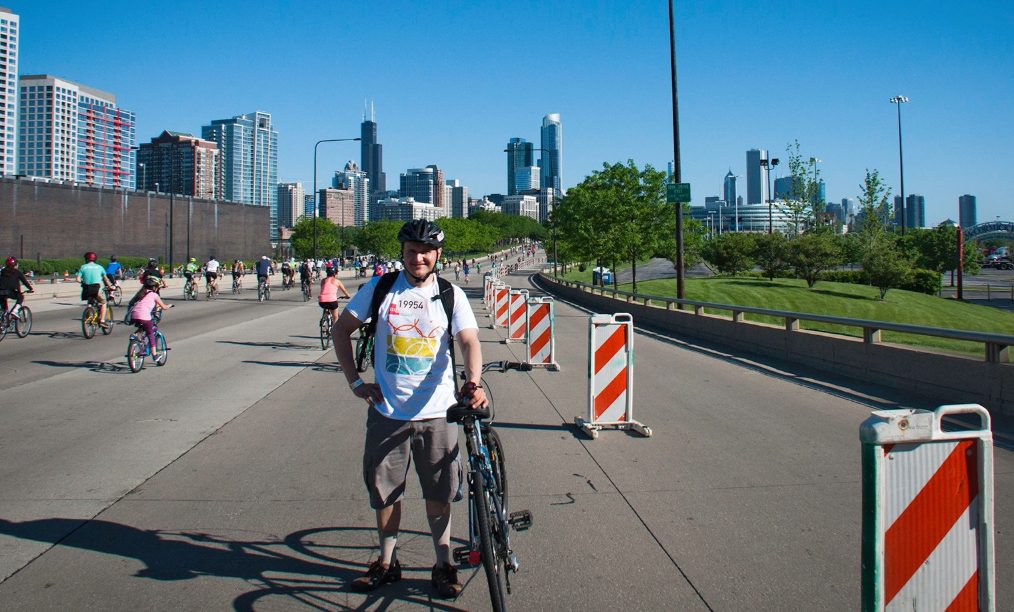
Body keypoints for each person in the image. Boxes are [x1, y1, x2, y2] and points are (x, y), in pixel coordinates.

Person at [332, 219, 487, 598]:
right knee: (385, 494)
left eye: (426, 252)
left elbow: (468, 340)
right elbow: (341, 330)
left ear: (437, 255)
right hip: (389, 413)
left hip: (438, 412)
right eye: (412, 252)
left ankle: (443, 562)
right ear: (402, 254)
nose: (418, 258)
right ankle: (387, 562)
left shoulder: (450, 294)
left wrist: (474, 381)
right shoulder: (381, 288)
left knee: (439, 493)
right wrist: (355, 381)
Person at [129, 275, 173, 357]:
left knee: (142, 327)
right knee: (150, 334)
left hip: (134, 315)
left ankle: (135, 336)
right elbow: (164, 307)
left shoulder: (140, 294)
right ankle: (154, 355)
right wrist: (170, 305)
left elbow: (132, 303)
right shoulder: (154, 295)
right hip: (144, 316)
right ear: (155, 287)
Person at [76, 251, 115, 331]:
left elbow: (78, 279)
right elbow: (105, 279)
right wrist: (110, 287)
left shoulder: (83, 267)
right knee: (103, 302)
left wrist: (83, 282)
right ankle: (102, 321)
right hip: (97, 289)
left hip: (87, 289)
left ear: (86, 259)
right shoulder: (100, 267)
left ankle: (88, 315)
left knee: (90, 303)